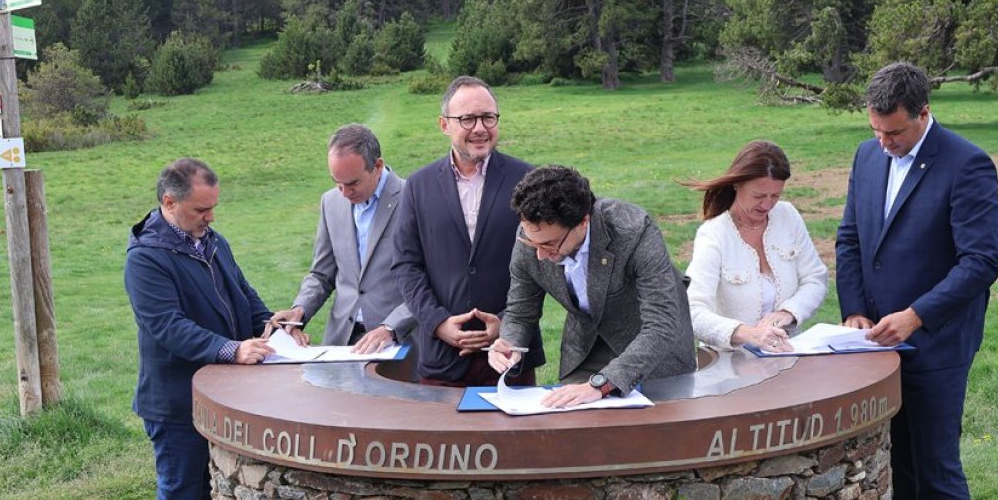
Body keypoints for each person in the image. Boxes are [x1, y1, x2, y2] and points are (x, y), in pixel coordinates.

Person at [836, 62, 998, 500]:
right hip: (873, 344)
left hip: (937, 343)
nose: (885, 142)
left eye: (895, 132)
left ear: (924, 113)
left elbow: (980, 262)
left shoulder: (967, 163)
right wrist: (854, 310)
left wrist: (916, 316)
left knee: (935, 468)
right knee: (898, 465)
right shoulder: (867, 157)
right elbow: (850, 239)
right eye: (876, 130)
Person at [124, 158, 280, 500]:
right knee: (179, 495)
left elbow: (242, 295)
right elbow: (167, 326)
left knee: (209, 494)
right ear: (169, 202)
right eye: (200, 209)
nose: (210, 216)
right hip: (176, 402)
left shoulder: (212, 241)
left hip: (221, 396)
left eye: (213, 207)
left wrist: (276, 327)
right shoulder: (146, 258)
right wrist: (231, 349)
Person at [488, 166, 696, 407]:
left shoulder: (634, 231)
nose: (540, 255)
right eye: (532, 242)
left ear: (583, 222)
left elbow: (661, 324)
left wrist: (602, 384)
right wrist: (510, 343)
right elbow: (519, 312)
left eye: (551, 245)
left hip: (654, 351)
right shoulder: (533, 237)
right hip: (585, 349)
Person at [392, 75, 545, 386]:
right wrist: (437, 323)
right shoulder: (418, 186)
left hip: (510, 357)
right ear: (444, 125)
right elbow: (407, 266)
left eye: (488, 117)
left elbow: (544, 260)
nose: (480, 128)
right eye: (467, 118)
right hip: (442, 360)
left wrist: (505, 323)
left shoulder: (528, 179)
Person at [268, 124, 415, 356]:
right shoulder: (331, 202)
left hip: (399, 343)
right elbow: (322, 274)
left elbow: (431, 281)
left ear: (377, 166)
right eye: (337, 182)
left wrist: (391, 327)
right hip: (342, 342)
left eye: (353, 183)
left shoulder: (414, 199)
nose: (344, 193)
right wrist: (300, 310)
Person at [683, 141, 828, 352]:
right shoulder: (714, 234)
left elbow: (815, 279)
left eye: (775, 195)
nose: (767, 205)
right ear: (736, 184)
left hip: (787, 357)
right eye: (759, 196)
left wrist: (788, 313)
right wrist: (749, 334)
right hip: (728, 366)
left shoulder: (788, 216)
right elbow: (693, 310)